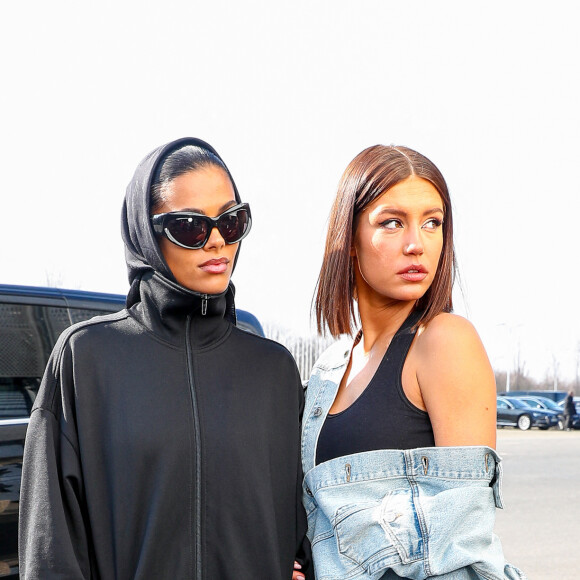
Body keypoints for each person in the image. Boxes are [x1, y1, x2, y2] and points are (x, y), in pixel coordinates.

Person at [19, 137, 310, 579]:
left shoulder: (274, 371)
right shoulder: (86, 359)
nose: (217, 242)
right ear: (146, 235)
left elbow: (303, 528)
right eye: (191, 227)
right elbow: (51, 554)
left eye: (231, 222)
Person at [301, 145, 526, 579]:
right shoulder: (329, 369)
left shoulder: (443, 342)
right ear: (348, 239)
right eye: (392, 222)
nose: (416, 244)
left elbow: (458, 546)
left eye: (432, 223)